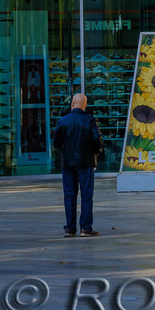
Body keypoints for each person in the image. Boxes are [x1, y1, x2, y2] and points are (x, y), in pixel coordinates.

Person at [52, 93, 102, 238]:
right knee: (86, 195)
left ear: (72, 103)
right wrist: (96, 152)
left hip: (68, 162)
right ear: (85, 105)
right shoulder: (90, 120)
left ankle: (70, 228)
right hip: (85, 162)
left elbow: (56, 143)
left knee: (69, 195)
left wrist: (65, 150)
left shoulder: (62, 121)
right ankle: (85, 228)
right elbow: (97, 139)